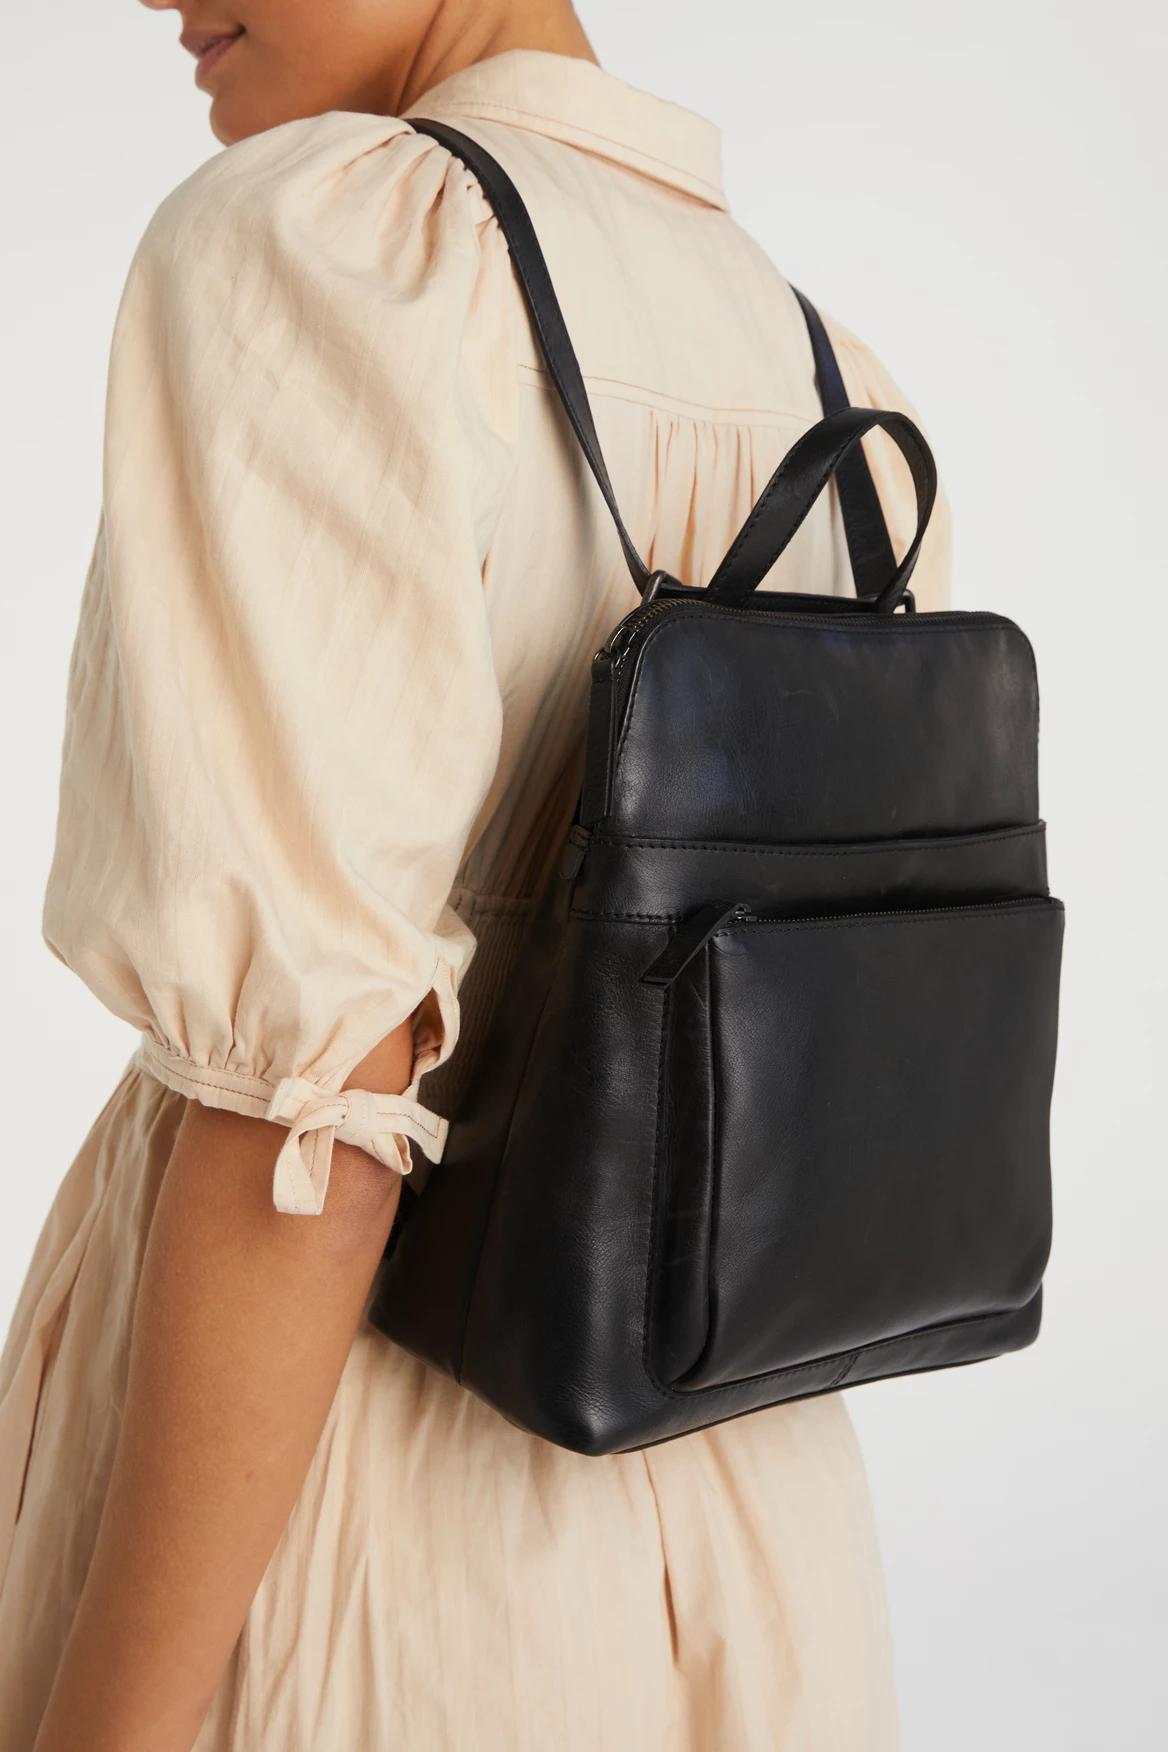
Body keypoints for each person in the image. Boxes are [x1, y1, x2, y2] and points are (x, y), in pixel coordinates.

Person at [0, 2, 951, 1748]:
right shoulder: (834, 374)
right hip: (762, 1570)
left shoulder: (326, 251)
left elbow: (317, 1119)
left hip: (370, 1557)